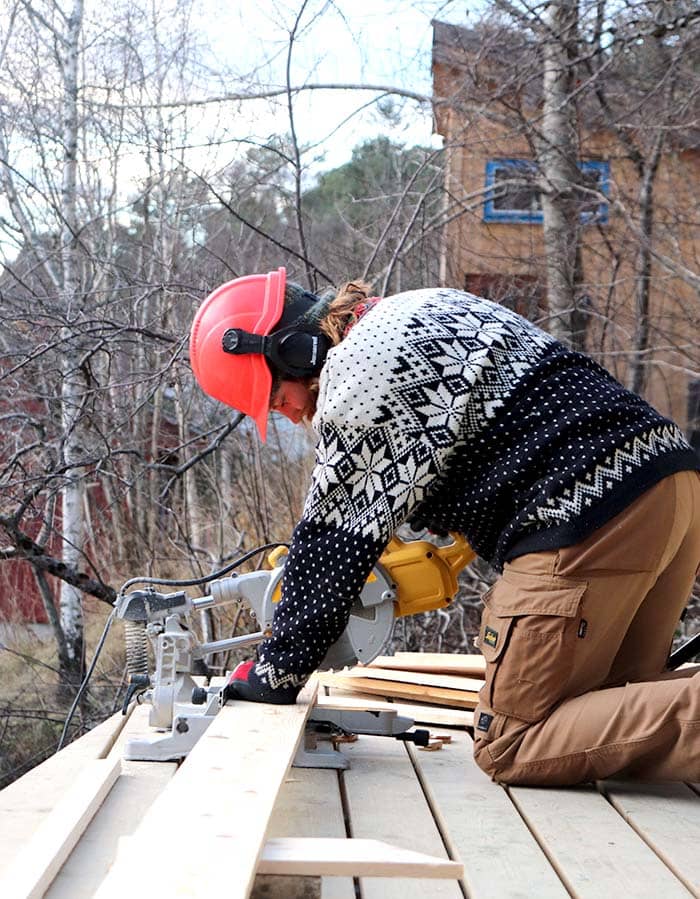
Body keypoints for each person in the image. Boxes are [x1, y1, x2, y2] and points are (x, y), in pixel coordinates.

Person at [189, 266, 700, 785]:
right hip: (671, 485)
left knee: (515, 743)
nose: (289, 412)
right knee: (616, 711)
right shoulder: (423, 307)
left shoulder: (358, 374)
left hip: (590, 512)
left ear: (294, 350)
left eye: (278, 397)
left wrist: (274, 673)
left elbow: (331, 545)